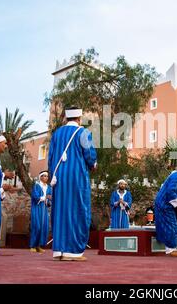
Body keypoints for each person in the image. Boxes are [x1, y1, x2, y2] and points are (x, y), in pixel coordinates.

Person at [48, 107, 97, 261]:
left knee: (61, 210)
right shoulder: (83, 132)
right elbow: (89, 155)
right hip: (76, 176)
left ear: (66, 118)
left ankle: (59, 250)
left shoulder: (56, 134)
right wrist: (93, 165)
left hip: (59, 177)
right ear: (79, 118)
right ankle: (73, 252)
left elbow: (50, 159)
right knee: (78, 210)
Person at [29, 170, 52, 253]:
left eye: (47, 176)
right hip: (37, 208)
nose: (46, 177)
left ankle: (39, 246)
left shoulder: (49, 187)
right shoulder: (37, 185)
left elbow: (49, 198)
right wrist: (44, 197)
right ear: (40, 177)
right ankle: (32, 245)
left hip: (44, 209)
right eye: (44, 176)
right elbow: (35, 196)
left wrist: (49, 200)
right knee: (36, 226)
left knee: (43, 227)